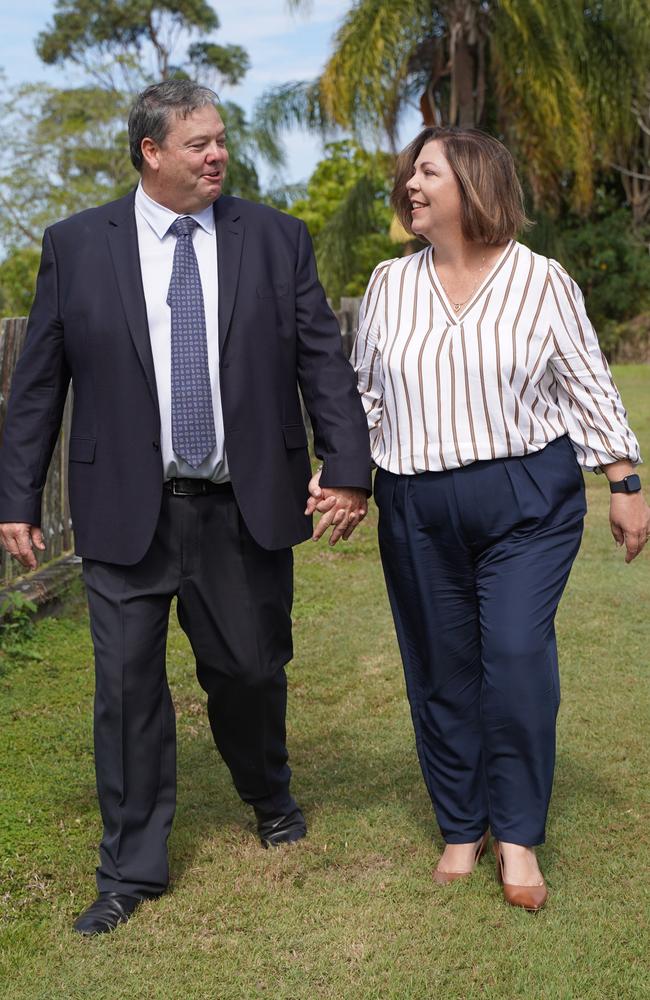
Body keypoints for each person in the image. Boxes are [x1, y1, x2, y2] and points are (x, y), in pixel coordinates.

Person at [0, 80, 370, 935]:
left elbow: (322, 359)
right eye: (198, 142)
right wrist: (17, 495)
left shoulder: (276, 239)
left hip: (241, 506)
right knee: (126, 691)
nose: (217, 155)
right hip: (124, 506)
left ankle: (268, 794)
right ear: (151, 153)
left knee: (248, 668)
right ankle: (130, 870)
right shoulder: (77, 245)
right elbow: (36, 387)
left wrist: (346, 465)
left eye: (222, 140)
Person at [308, 127, 649, 911]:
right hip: (416, 503)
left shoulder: (540, 279)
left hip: (526, 498)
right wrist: (343, 472)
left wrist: (624, 479)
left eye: (427, 172)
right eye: (410, 174)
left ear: (473, 183)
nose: (410, 185)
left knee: (517, 656)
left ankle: (519, 833)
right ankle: (463, 824)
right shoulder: (390, 283)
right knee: (440, 667)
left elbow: (587, 382)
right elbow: (363, 393)